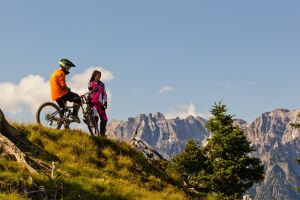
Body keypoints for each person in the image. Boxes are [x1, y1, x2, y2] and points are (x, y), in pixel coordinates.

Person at [50, 58, 81, 123]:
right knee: (77, 98)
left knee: (63, 110)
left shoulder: (56, 72)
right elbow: (63, 85)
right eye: (68, 67)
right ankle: (74, 115)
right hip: (61, 93)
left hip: (55, 95)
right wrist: (68, 89)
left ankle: (62, 122)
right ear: (65, 66)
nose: (69, 69)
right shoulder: (61, 73)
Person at [88, 70, 108, 136]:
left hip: (100, 104)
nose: (99, 77)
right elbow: (89, 91)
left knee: (104, 119)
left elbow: (104, 94)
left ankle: (102, 134)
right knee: (95, 117)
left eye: (100, 76)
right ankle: (95, 132)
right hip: (93, 103)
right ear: (94, 76)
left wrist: (105, 102)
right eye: (97, 75)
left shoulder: (102, 84)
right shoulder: (91, 83)